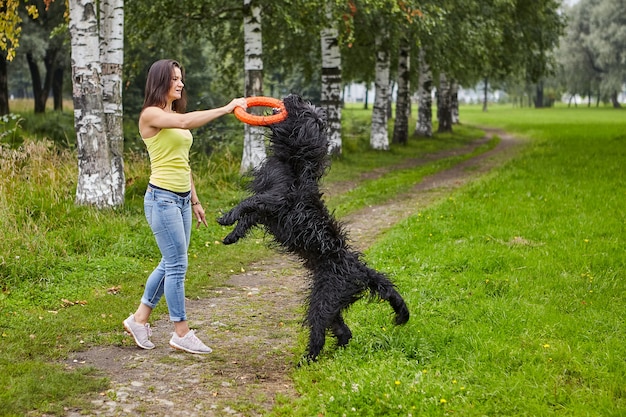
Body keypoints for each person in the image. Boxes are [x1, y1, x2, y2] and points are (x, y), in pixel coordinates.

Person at [123, 59, 247, 354]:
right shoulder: (151, 115)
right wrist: (226, 108)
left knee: (171, 262)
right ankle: (181, 332)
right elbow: (184, 123)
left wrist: (194, 199)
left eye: (181, 79)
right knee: (177, 265)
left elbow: (183, 162)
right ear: (160, 82)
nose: (180, 84)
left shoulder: (172, 112)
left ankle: (139, 320)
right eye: (174, 79)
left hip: (179, 200)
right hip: (161, 199)